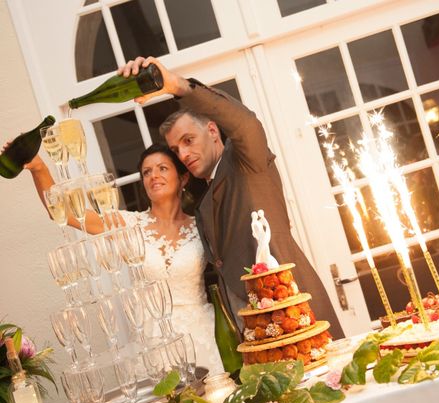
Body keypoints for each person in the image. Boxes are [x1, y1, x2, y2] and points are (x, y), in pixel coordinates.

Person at [119, 56, 344, 338]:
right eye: (176, 150)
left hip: (293, 313)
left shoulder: (245, 161)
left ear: (213, 131)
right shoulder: (202, 203)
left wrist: (176, 86)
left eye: (188, 141)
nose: (183, 154)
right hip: (252, 333)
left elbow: (245, 123)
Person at [22, 143, 224, 375]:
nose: (154, 176)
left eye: (162, 168)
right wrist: (39, 168)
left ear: (183, 178)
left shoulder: (202, 226)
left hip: (203, 335)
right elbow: (61, 212)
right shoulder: (127, 224)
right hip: (154, 340)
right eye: (147, 172)